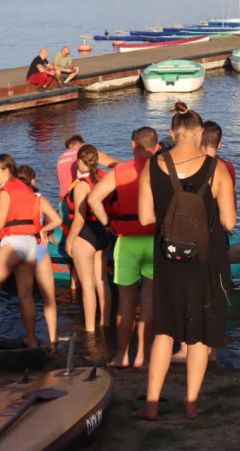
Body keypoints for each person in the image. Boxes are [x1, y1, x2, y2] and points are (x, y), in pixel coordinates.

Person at [133, 102, 236, 421]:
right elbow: (230, 221)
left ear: (172, 132)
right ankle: (191, 403)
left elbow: (145, 217)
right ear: (201, 132)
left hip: (167, 256)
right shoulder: (216, 168)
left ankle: (151, 404)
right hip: (204, 260)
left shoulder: (154, 165)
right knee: (199, 334)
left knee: (164, 331)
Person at [0, 154, 62, 350]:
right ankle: (31, 339)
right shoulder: (28, 191)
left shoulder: (4, 191)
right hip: (31, 244)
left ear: (6, 171)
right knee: (26, 296)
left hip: (13, 243)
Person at [88, 126, 159, 369]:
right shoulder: (164, 168)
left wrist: (107, 223)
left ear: (133, 145)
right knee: (148, 301)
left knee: (127, 302)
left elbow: (93, 199)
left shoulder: (120, 170)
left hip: (127, 241)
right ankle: (142, 357)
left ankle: (122, 356)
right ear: (156, 146)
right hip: (155, 240)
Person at [174, 120, 235, 363]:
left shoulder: (187, 165)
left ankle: (185, 349)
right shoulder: (226, 167)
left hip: (188, 236)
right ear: (219, 143)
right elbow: (228, 215)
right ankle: (212, 351)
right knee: (215, 294)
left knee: (187, 294)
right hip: (217, 235)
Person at [63, 145, 112, 333]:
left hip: (85, 234)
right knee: (102, 282)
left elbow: (80, 217)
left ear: (81, 162)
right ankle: (105, 324)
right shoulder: (104, 177)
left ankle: (91, 331)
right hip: (102, 232)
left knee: (88, 285)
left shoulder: (81, 185)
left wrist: (69, 239)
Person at [15, 164, 60, 347]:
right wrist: (44, 229)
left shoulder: (9, 199)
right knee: (48, 296)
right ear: (32, 181)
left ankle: (31, 338)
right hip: (39, 246)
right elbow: (57, 220)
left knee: (26, 296)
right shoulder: (39, 199)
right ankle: (53, 338)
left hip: (21, 248)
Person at [57, 134, 120, 200]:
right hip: (78, 199)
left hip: (63, 203)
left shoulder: (60, 158)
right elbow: (113, 163)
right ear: (83, 145)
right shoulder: (86, 153)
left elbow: (59, 181)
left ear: (67, 148)